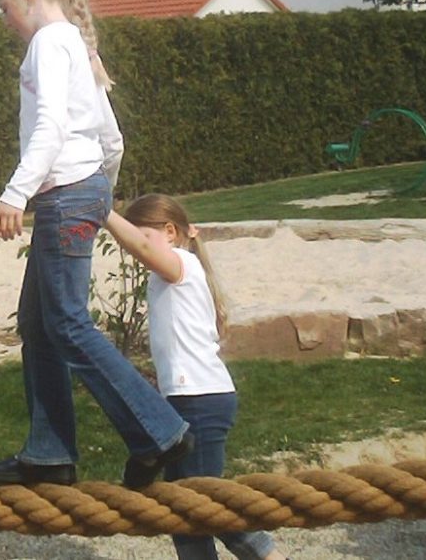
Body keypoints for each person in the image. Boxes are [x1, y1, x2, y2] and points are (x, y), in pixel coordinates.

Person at [0, 0, 193, 490]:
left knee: (68, 323)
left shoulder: (48, 44)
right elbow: (111, 137)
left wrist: (15, 193)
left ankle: (159, 432)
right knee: (39, 322)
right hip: (83, 189)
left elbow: (50, 127)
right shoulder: (76, 42)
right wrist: (101, 193)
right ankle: (50, 454)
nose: (5, 23)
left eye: (5, 9)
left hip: (62, 195)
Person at [104, 194, 289, 560]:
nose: (134, 251)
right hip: (188, 399)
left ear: (170, 233)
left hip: (202, 401)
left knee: (206, 508)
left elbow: (142, 246)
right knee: (185, 513)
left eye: (142, 237)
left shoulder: (183, 265)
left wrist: (102, 210)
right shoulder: (167, 274)